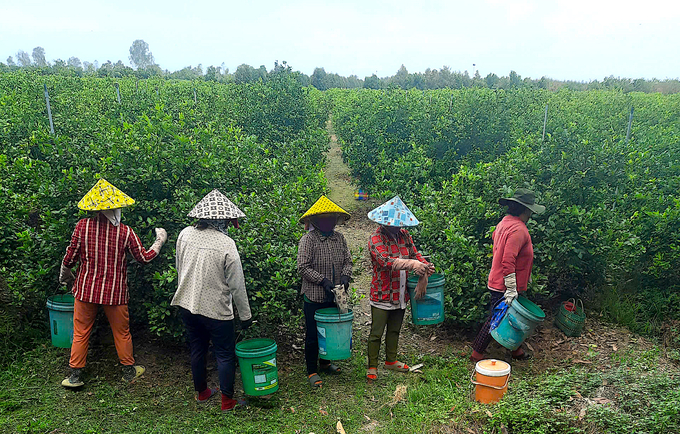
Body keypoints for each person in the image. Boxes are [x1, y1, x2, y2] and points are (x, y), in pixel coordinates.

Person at [59, 179, 167, 388]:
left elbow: (69, 259)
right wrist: (159, 241)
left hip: (85, 291)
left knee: (81, 332)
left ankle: (75, 376)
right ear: (116, 208)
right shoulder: (125, 232)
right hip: (115, 294)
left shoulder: (82, 226)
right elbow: (143, 258)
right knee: (122, 332)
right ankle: (128, 370)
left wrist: (66, 275)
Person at [171, 189, 252, 412]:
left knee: (197, 348)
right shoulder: (227, 244)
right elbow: (237, 285)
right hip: (216, 311)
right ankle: (227, 401)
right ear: (223, 219)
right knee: (224, 353)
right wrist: (245, 316)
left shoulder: (184, 234)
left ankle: (203, 393)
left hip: (187, 304)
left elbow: (180, 268)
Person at [470, 188, 545, 362]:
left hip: (499, 280)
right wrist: (511, 288)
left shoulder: (504, 222)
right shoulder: (519, 230)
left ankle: (516, 351)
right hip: (505, 284)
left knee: (510, 315)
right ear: (526, 209)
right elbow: (508, 260)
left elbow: (499, 246)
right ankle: (476, 354)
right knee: (497, 317)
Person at [366, 196, 434, 381]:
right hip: (382, 292)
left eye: (399, 223)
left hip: (400, 291)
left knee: (395, 329)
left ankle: (391, 359)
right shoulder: (376, 238)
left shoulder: (404, 235)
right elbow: (385, 261)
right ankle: (372, 365)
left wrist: (425, 267)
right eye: (394, 223)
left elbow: (416, 254)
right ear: (385, 222)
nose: (398, 227)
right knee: (376, 332)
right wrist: (412, 264)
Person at [296, 196, 352, 388]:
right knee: (313, 334)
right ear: (316, 221)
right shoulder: (308, 240)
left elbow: (348, 261)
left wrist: (345, 277)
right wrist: (323, 280)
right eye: (325, 219)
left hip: (335, 294)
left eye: (332, 219)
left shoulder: (340, 238)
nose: (329, 222)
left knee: (329, 331)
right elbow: (303, 267)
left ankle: (326, 362)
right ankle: (312, 369)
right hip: (314, 295)